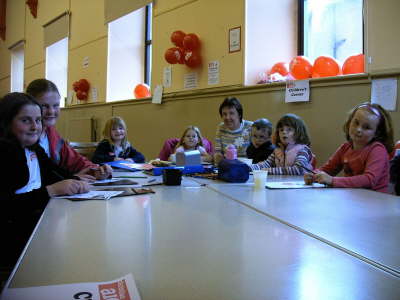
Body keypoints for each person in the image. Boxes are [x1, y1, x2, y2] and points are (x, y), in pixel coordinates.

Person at [0, 93, 90, 269]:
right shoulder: (5, 155)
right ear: (7, 123)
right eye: (26, 120)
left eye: (38, 120)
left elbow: (57, 174)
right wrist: (51, 191)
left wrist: (85, 176)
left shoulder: (34, 151)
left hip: (36, 229)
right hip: (11, 242)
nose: (35, 127)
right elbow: (6, 207)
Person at [26, 79, 112, 180]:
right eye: (44, 106)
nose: (51, 111)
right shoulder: (23, 137)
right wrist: (72, 178)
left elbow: (75, 161)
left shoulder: (51, 134)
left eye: (56, 105)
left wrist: (97, 170)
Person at [304, 102, 394, 193]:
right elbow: (327, 169)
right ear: (349, 122)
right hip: (354, 198)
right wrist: (314, 175)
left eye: (366, 127)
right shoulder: (345, 148)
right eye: (356, 123)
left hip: (376, 201)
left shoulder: (377, 150)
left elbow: (369, 180)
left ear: (376, 133)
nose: (359, 129)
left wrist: (332, 180)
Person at [214, 97, 253, 164]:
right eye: (224, 114)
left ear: (239, 114)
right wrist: (217, 156)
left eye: (231, 113)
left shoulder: (250, 127)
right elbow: (217, 154)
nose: (227, 117)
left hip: (247, 167)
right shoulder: (221, 128)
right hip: (228, 166)